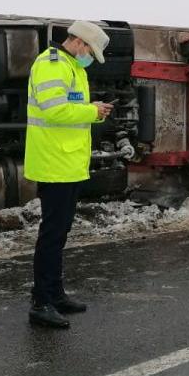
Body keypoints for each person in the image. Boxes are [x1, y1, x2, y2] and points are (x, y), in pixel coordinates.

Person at [24, 20, 113, 328]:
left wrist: (91, 107)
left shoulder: (73, 67)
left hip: (68, 162)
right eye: (91, 51)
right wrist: (93, 111)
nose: (90, 58)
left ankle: (55, 293)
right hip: (54, 163)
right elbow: (54, 110)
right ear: (79, 43)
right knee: (51, 235)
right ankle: (41, 302)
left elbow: (69, 106)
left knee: (59, 233)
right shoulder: (51, 65)